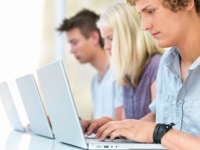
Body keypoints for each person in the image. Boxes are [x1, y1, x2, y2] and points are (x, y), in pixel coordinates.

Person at [90, 0, 200, 149]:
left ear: (186, 3)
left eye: (151, 11)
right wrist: (122, 128)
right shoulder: (166, 65)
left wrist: (160, 133)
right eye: (141, 14)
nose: (144, 26)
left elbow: (158, 131)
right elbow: (159, 116)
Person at [81, 2, 164, 133]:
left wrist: (118, 126)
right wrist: (109, 124)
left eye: (111, 38)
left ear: (130, 37)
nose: (106, 47)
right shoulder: (127, 75)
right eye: (104, 40)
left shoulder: (157, 65)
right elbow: (129, 124)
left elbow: (159, 118)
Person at [57, 9, 123, 120]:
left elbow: (122, 125)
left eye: (75, 43)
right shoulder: (95, 80)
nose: (71, 51)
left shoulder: (120, 72)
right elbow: (95, 124)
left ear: (94, 37)